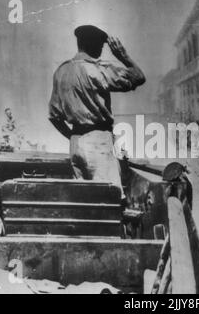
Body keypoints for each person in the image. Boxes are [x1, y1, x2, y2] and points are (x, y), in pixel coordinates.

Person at [49, 25, 146, 199]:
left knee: (85, 204)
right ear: (90, 44)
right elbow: (139, 77)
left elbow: (54, 117)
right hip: (99, 142)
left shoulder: (61, 71)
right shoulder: (98, 69)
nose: (102, 49)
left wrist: (73, 135)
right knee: (109, 200)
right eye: (100, 45)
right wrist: (123, 56)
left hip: (75, 142)